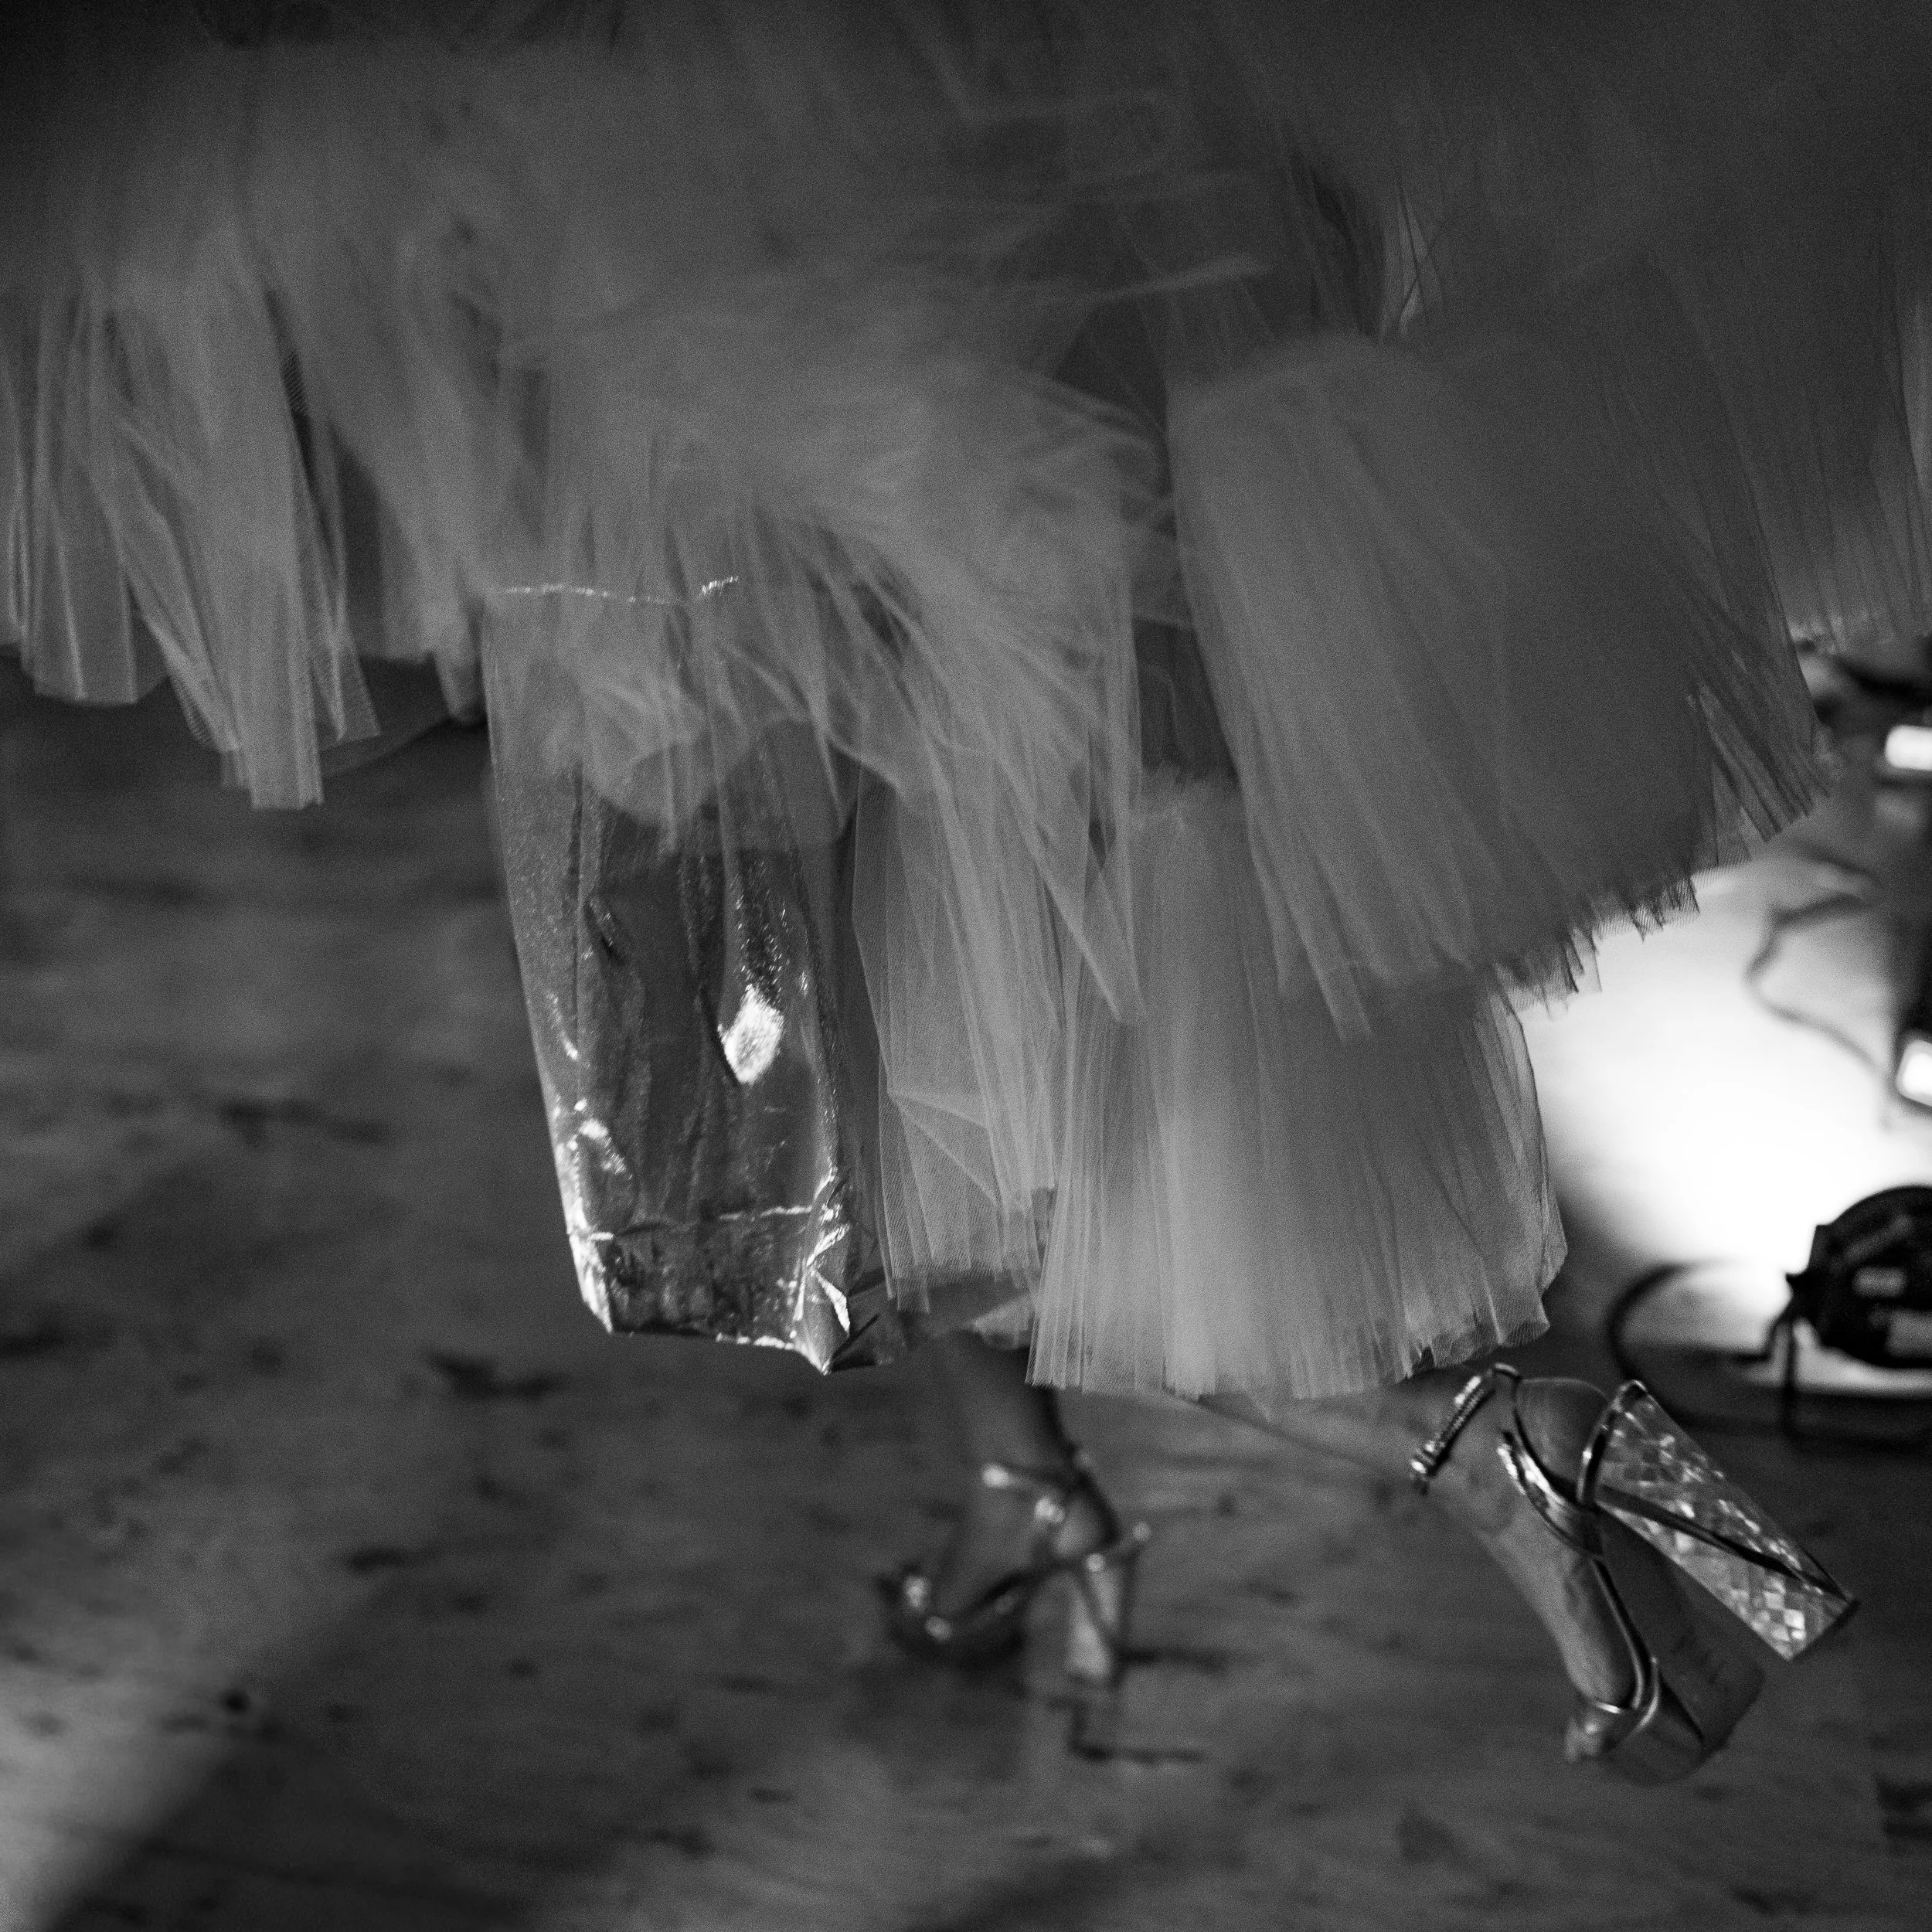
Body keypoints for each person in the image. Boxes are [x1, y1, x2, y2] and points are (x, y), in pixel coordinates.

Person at [3, 0, 1897, 1784]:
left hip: (768, 256)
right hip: (1028, 192)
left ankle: (1493, 1439)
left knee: (806, 1103)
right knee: (921, 1014)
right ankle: (1029, 1496)